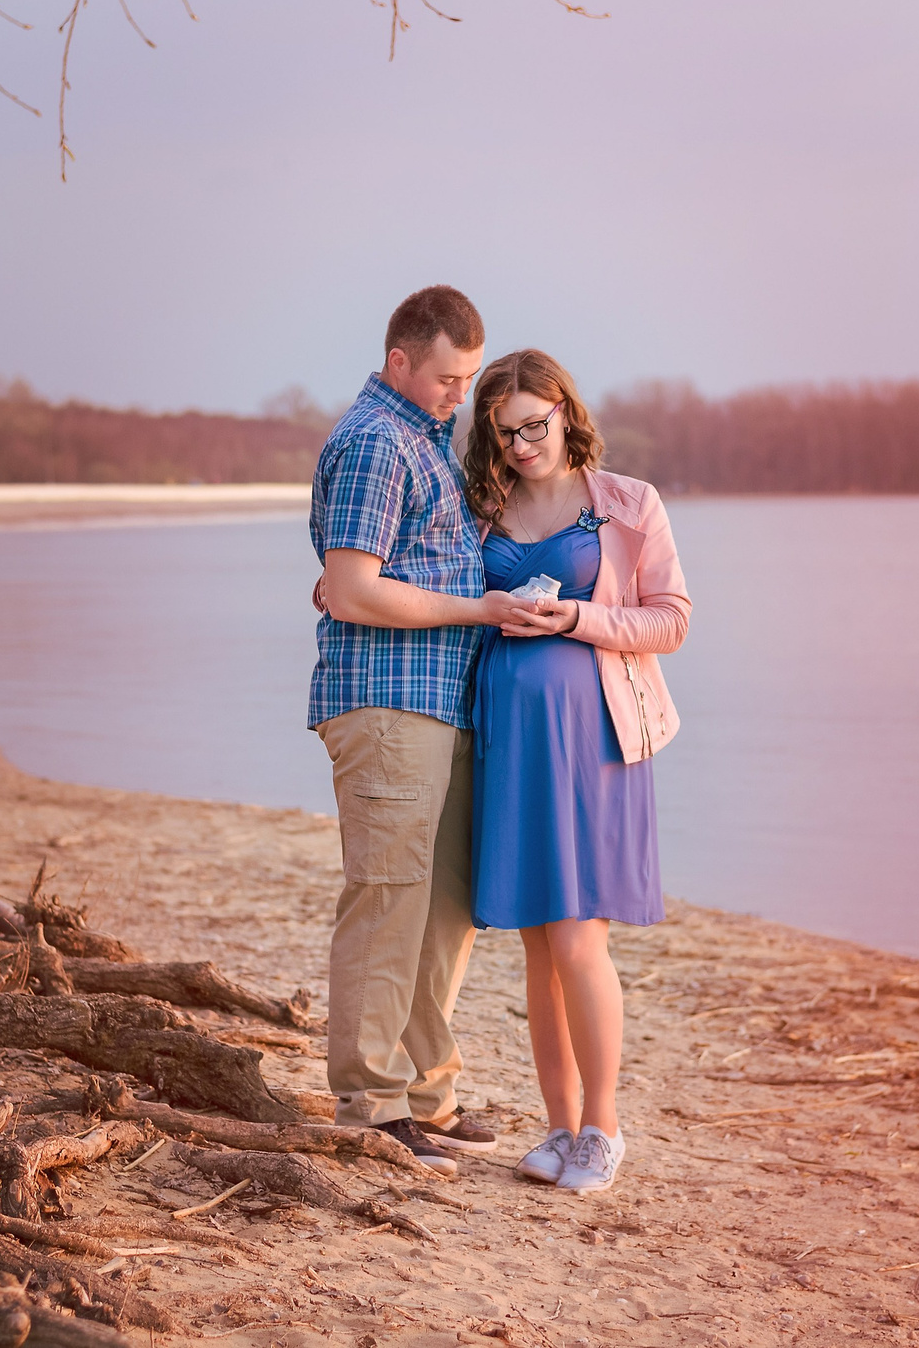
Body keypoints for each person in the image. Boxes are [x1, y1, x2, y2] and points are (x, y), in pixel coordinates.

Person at [458, 348, 690, 1195]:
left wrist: (578, 615)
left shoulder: (629, 503)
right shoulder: (479, 509)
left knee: (578, 938)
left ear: (564, 410)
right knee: (535, 945)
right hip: (510, 745)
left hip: (593, 743)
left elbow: (671, 621)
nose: (521, 444)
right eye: (503, 431)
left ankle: (604, 1130)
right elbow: (430, 591)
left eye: (534, 425)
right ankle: (556, 1128)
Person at [308, 284, 520, 1175]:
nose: (459, 396)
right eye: (446, 378)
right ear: (401, 360)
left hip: (438, 702)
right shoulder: (372, 442)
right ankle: (372, 1101)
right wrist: (479, 605)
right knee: (389, 900)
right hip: (389, 704)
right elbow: (353, 587)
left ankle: (427, 1090)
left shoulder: (426, 442)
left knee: (441, 913)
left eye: (469, 380)